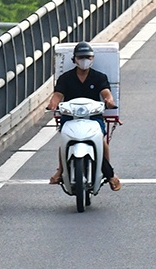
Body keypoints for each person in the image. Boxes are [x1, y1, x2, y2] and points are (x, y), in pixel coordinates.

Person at [45, 42, 122, 190]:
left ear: (92, 59)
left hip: (93, 116)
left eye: (88, 57)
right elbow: (57, 96)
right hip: (70, 116)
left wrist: (109, 102)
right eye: (81, 57)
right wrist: (52, 105)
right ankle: (61, 170)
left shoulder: (99, 77)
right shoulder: (66, 78)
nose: (84, 60)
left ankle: (109, 173)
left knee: (101, 140)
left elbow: (106, 94)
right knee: (64, 141)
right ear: (74, 59)